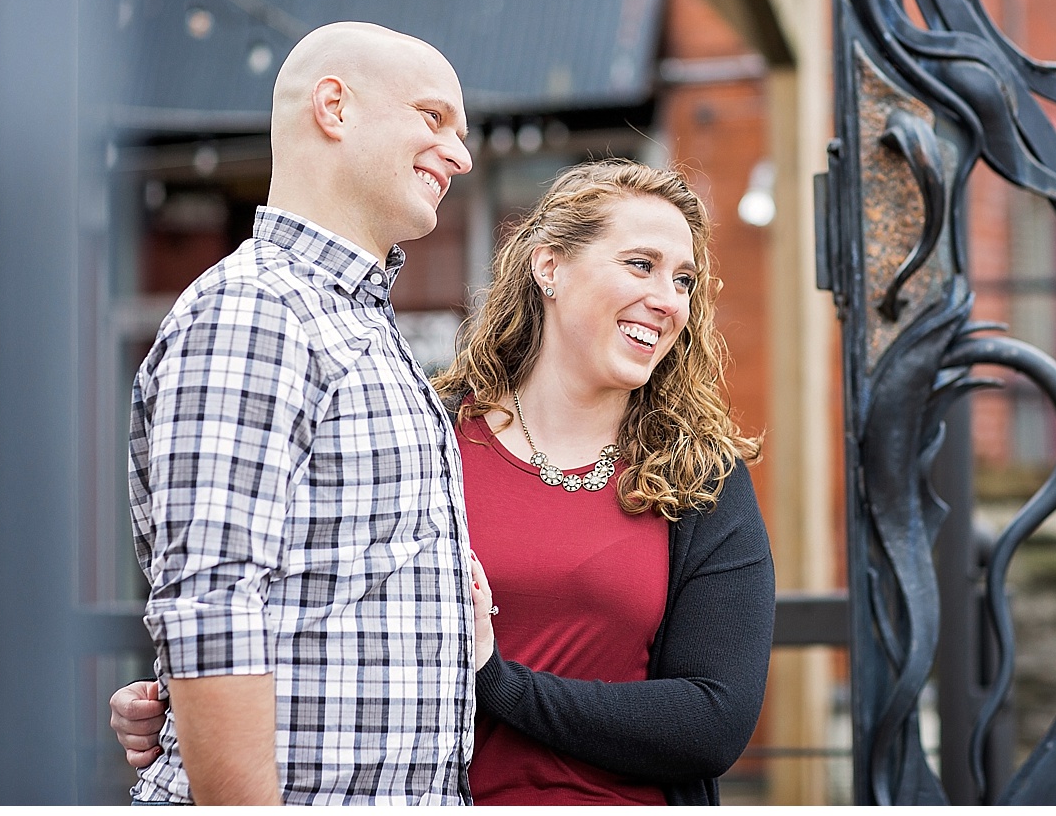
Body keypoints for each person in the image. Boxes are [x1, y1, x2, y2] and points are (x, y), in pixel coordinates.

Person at [114, 159, 776, 805]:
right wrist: (182, 708)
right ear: (549, 266)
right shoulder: (426, 430)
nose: (668, 299)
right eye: (641, 264)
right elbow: (301, 606)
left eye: (684, 279)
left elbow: (711, 720)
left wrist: (502, 684)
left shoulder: (701, 474)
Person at [123, 21, 478, 805]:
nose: (462, 154)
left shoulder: (356, 321)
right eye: (433, 118)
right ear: (334, 107)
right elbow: (213, 603)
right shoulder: (255, 311)